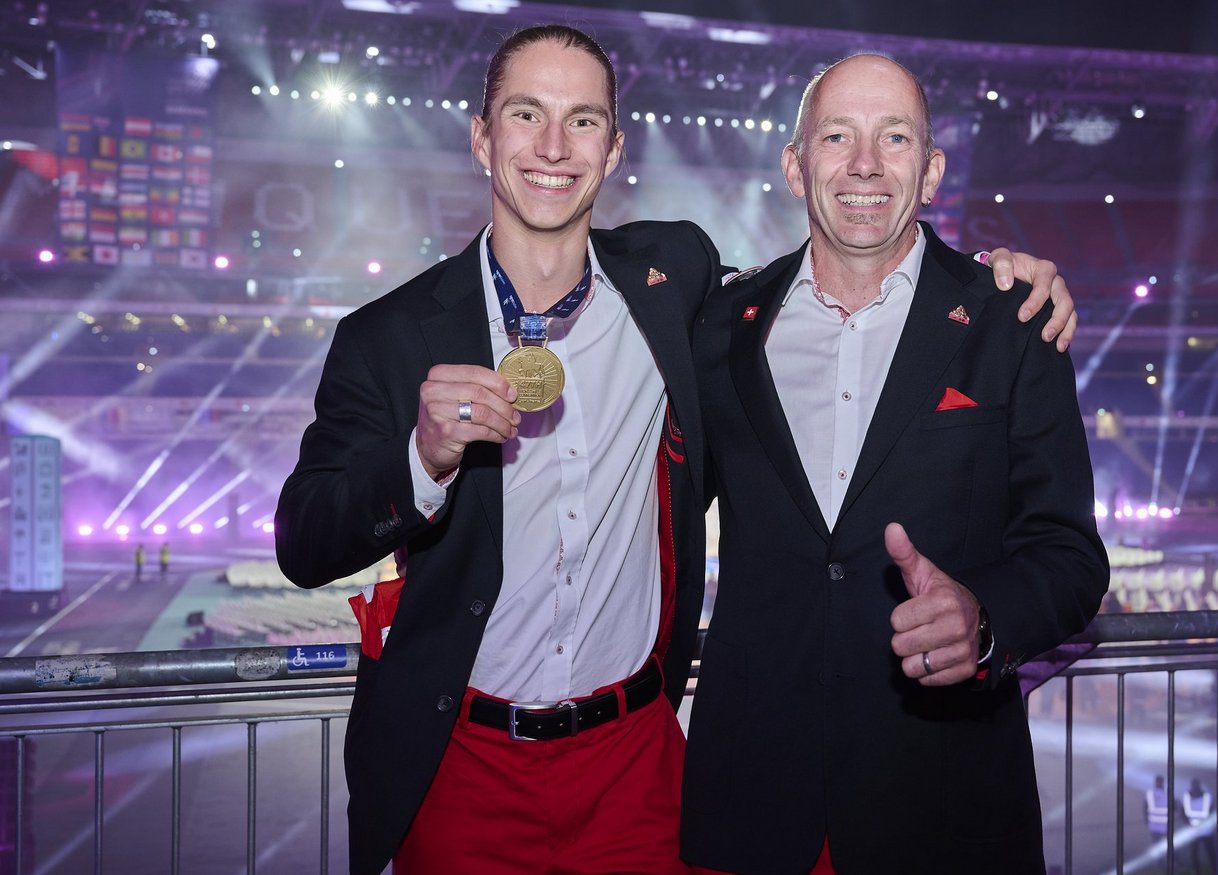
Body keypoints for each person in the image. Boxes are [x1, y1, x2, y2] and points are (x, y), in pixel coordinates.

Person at [275, 26, 1076, 875]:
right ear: (481, 137)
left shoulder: (675, 285)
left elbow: (1057, 540)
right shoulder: (388, 336)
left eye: (584, 120)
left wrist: (1001, 272)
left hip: (637, 768)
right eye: (526, 114)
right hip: (465, 763)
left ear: (614, 149)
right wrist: (422, 459)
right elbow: (305, 540)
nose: (554, 146)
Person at [682, 53, 1109, 873]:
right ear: (795, 167)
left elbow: (1069, 554)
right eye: (837, 136)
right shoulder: (720, 327)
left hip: (945, 804)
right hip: (754, 802)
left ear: (931, 171)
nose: (866, 164)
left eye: (895, 137)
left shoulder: (1013, 321)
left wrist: (985, 619)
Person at [1181, 777, 1216, 874]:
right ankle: (1198, 871)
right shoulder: (1187, 797)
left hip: (1204, 830)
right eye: (1194, 786)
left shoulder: (1206, 797)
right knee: (1196, 853)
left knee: (1209, 852)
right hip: (1196, 831)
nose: (1195, 788)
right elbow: (1182, 813)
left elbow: (1211, 811)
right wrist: (1188, 824)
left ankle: (1214, 870)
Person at [1146, 774, 1170, 843]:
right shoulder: (1167, 794)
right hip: (1164, 825)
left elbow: (1145, 809)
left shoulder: (1150, 794)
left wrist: (1147, 821)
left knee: (1156, 843)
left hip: (1154, 824)